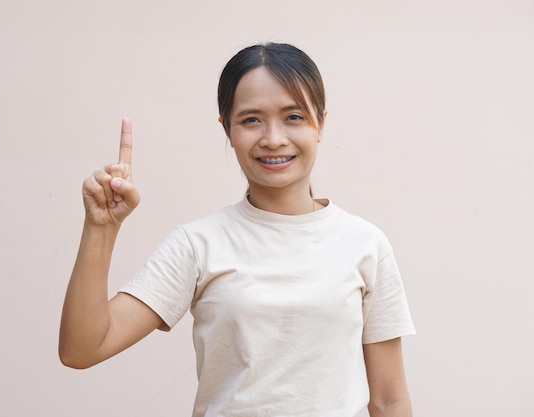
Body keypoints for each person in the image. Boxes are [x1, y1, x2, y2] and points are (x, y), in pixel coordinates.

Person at [59, 42, 416, 417]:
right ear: (227, 129)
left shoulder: (365, 244)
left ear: (320, 124)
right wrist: (100, 229)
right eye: (251, 119)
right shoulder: (197, 244)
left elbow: (389, 399)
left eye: (293, 116)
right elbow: (82, 349)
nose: (273, 138)